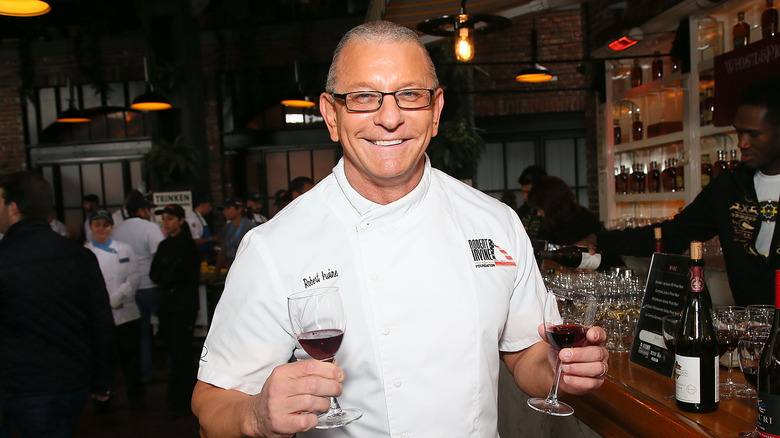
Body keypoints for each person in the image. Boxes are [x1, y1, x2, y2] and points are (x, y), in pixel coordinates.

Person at [192, 20, 608, 438]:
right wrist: (255, 416)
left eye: (410, 95)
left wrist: (558, 367)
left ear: (436, 111)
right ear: (331, 115)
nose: (389, 118)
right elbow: (212, 404)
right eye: (363, 97)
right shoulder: (273, 247)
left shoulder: (494, 223)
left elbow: (525, 354)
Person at [593, 76, 780, 306]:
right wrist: (601, 239)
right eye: (739, 132)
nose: (742, 143)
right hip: (752, 329)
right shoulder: (729, 187)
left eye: (753, 134)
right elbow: (674, 234)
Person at [0, 171, 115, 437]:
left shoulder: (5, 257)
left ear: (14, 208)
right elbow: (101, 323)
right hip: (73, 381)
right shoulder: (79, 256)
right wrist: (102, 382)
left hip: (21, 384)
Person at [84, 209, 145, 411]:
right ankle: (102, 400)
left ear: (112, 227)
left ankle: (137, 400)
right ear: (91, 227)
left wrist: (117, 298)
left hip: (126, 313)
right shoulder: (85, 253)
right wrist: (105, 304)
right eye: (97, 224)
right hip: (99, 317)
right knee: (102, 361)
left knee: (131, 360)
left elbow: (134, 277)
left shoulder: (124, 249)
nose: (102, 228)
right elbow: (85, 285)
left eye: (106, 224)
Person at [150, 204, 201, 417]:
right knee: (173, 350)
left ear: (180, 221)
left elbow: (185, 275)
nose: (166, 222)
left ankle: (183, 397)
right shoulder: (164, 246)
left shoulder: (188, 246)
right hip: (168, 306)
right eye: (164, 219)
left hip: (183, 306)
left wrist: (170, 277)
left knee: (182, 351)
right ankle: (178, 395)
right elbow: (155, 273)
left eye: (170, 218)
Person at [111, 196, 165, 383]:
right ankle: (172, 371)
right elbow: (160, 256)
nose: (149, 213)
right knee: (168, 329)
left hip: (129, 289)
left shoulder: (117, 230)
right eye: (147, 209)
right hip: (151, 286)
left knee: (140, 335)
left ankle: (144, 373)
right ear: (142, 211)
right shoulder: (150, 228)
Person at [212, 197, 254, 278]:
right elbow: (223, 250)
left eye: (228, 208)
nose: (224, 212)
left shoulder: (250, 227)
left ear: (239, 210)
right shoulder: (226, 227)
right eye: (223, 209)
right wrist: (216, 273)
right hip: (231, 270)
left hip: (247, 271)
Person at [517, 165, 547, 239]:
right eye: (523, 192)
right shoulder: (521, 212)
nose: (525, 197)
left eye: (528, 192)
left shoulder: (555, 214)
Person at [186, 194, 218, 259]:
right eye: (209, 205)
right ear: (202, 205)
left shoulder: (200, 217)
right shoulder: (193, 220)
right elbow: (195, 241)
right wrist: (211, 239)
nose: (210, 209)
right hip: (198, 255)